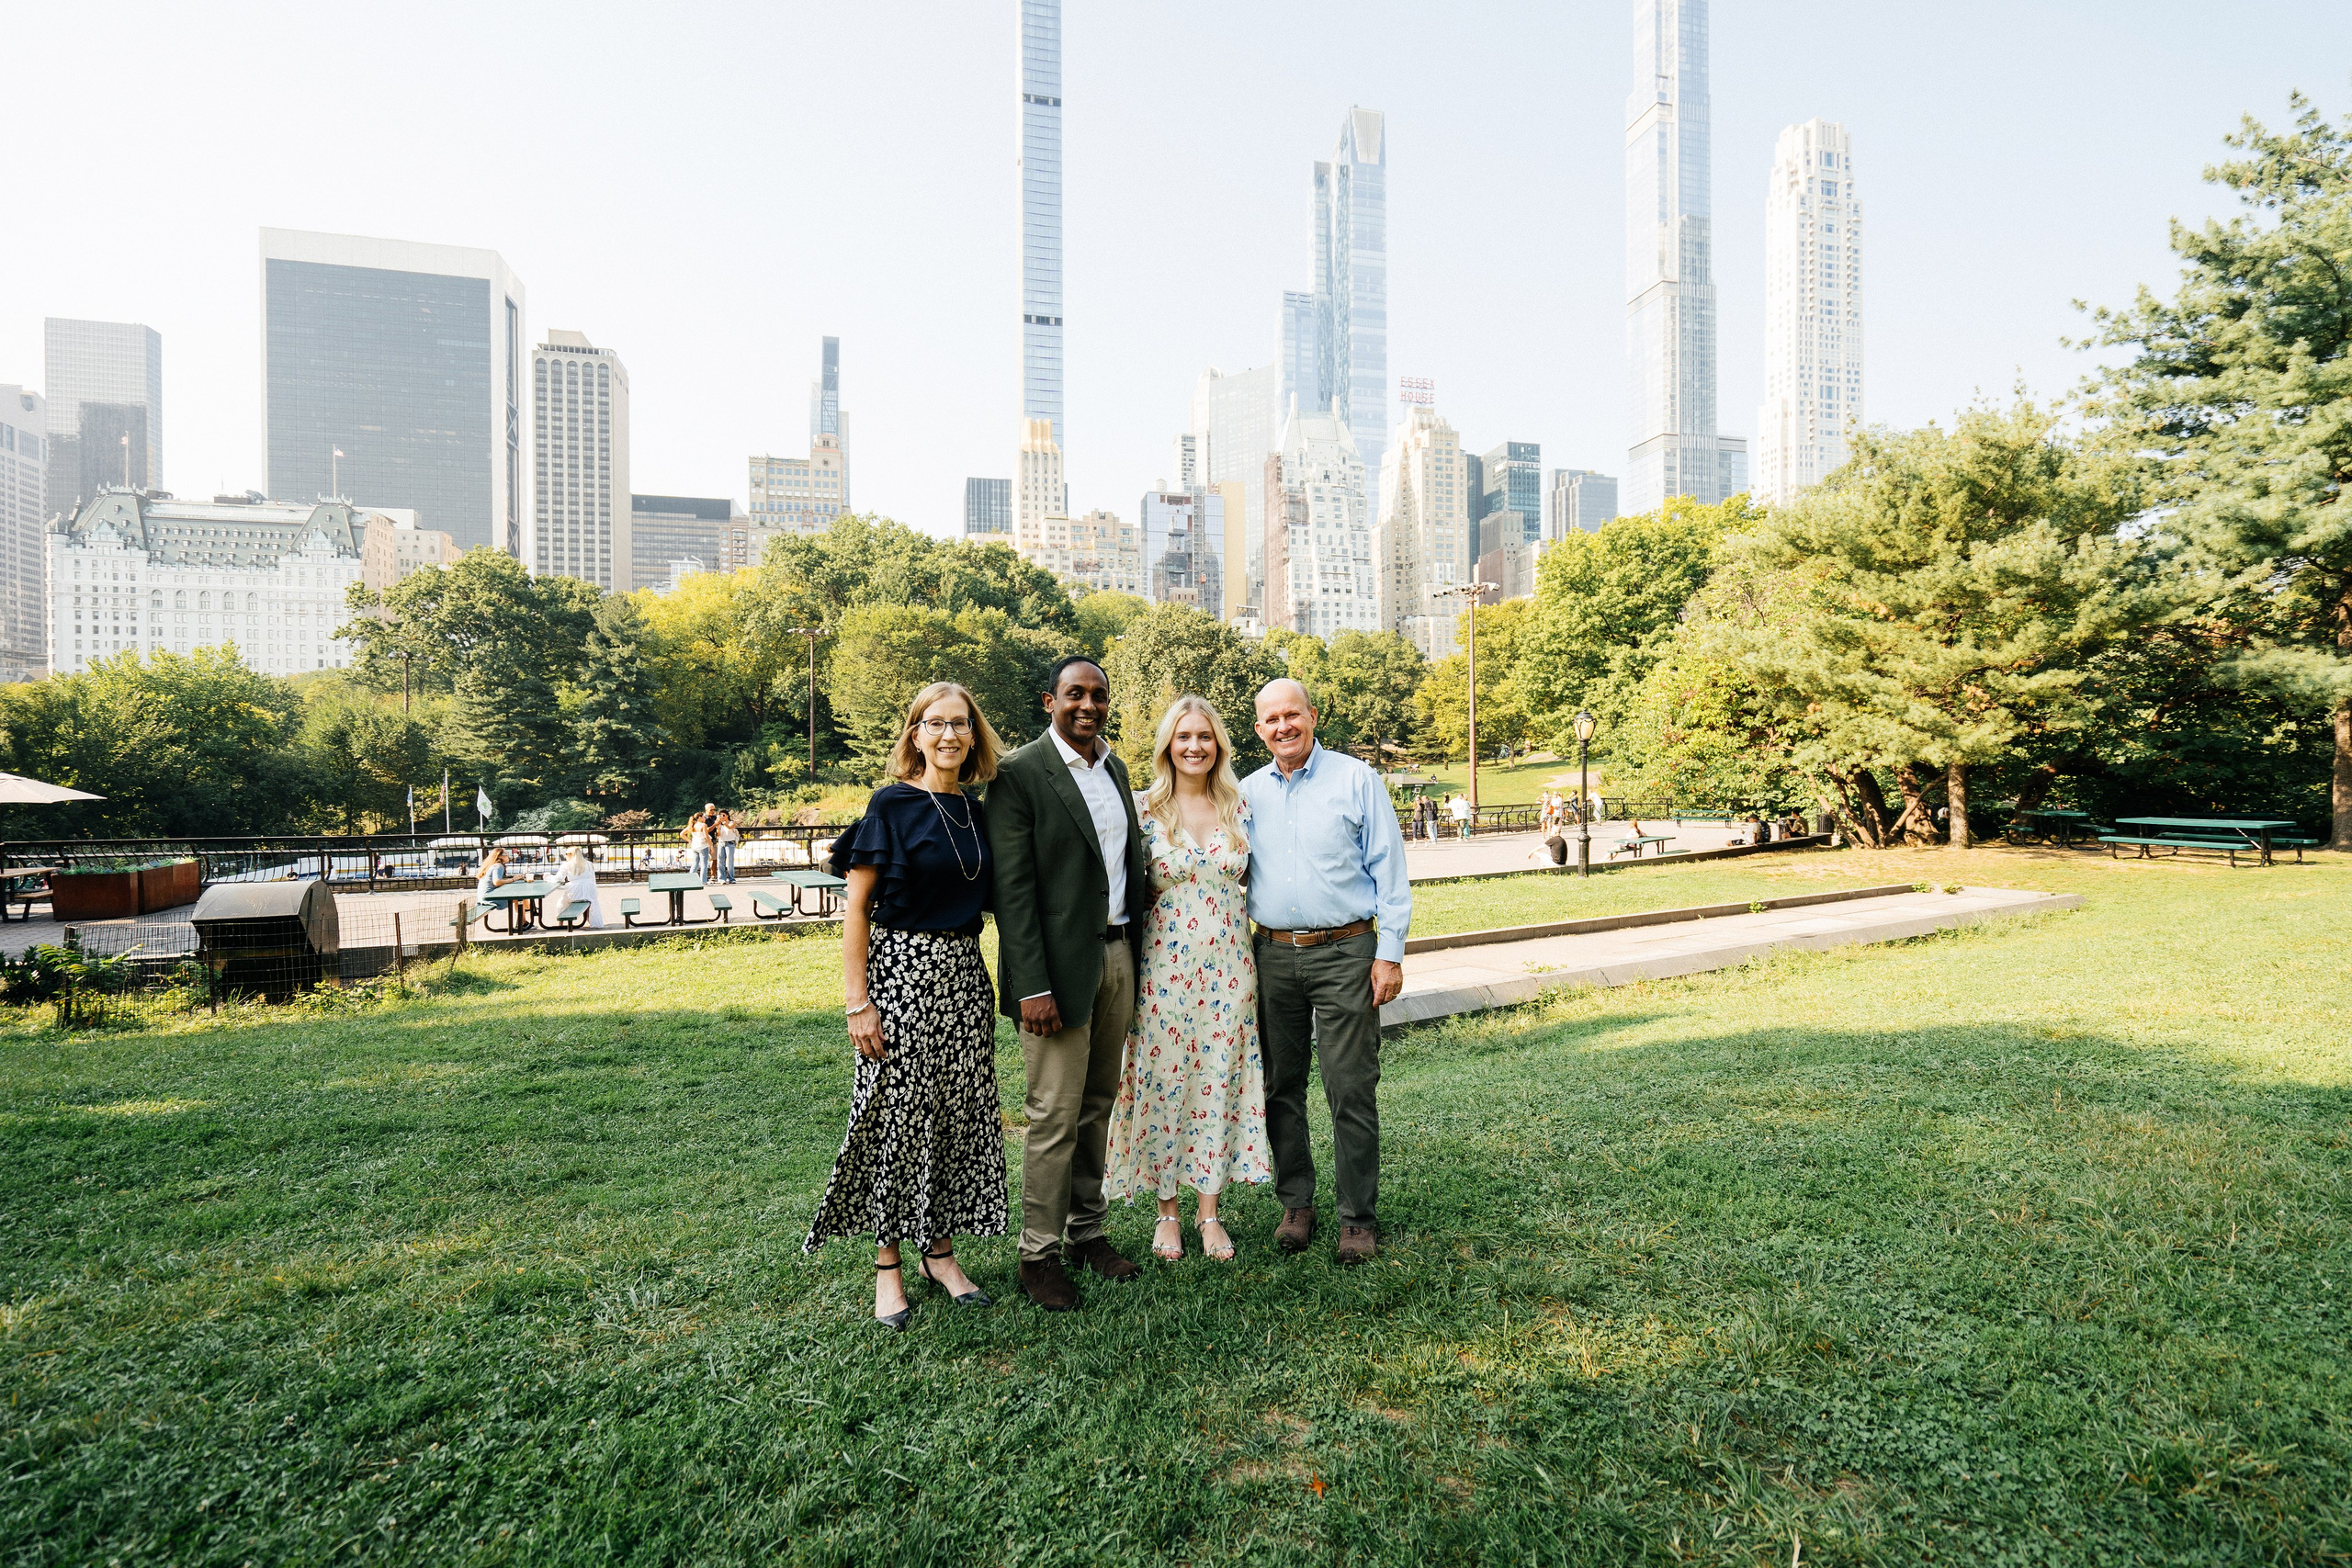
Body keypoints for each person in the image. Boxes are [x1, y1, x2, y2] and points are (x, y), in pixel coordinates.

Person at [805, 682, 1006, 1330]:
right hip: (900, 974)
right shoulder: (891, 804)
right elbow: (857, 910)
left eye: (961, 724)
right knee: (897, 1116)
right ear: (915, 734)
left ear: (974, 736)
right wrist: (856, 1002)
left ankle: (940, 1252)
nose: (949, 734)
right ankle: (888, 1264)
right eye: (935, 723)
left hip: (963, 979)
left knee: (955, 1115)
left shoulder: (977, 814)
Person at [985, 655, 1152, 1311]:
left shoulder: (1115, 767)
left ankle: (1087, 1231)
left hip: (1116, 959)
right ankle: (1038, 1253)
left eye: (1099, 695)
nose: (1088, 704)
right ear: (1048, 699)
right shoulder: (1021, 773)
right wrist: (1031, 985)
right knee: (1053, 1115)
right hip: (1053, 973)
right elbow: (1015, 891)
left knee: (1097, 1105)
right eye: (1074, 694)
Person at [1243, 678, 1410, 1267]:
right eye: (1272, 719)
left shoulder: (1355, 779)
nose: (1283, 726)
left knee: (1350, 1087)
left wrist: (1388, 954)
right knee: (1280, 1086)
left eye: (1293, 714)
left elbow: (1389, 871)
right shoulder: (1246, 793)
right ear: (1258, 728)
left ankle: (1356, 1218)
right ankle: (1297, 1204)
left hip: (1347, 952)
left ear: (1312, 717)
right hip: (1272, 957)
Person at [1103, 695, 1271, 1263]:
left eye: (1204, 736)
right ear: (1167, 746)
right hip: (1164, 972)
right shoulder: (1144, 809)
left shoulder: (1239, 805)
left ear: (1218, 744)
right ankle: (1167, 1213)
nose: (1194, 746)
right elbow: (1123, 888)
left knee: (1219, 1081)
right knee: (1166, 1082)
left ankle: (1209, 1212)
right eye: (1183, 737)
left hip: (1230, 969)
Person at [546, 848, 606, 928]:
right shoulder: (589, 864)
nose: (565, 856)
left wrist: (547, 877)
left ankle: (561, 923)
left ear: (571, 855)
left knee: (561, 903)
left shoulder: (566, 865)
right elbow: (593, 879)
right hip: (590, 890)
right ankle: (589, 921)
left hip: (575, 892)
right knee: (590, 902)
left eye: (566, 854)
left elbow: (559, 878)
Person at [684, 807, 716, 883]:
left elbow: (682, 834)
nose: (704, 818)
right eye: (702, 817)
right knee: (704, 864)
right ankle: (703, 881)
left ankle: (690, 879)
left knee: (695, 863)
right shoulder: (703, 825)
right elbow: (706, 836)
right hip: (703, 846)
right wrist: (711, 846)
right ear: (699, 818)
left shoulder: (692, 826)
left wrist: (689, 841)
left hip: (695, 846)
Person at [715, 810, 742, 884]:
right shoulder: (720, 824)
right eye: (720, 815)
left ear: (727, 815)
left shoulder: (731, 822)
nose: (722, 817)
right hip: (721, 842)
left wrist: (723, 822)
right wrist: (718, 826)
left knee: (730, 861)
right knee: (720, 861)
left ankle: (731, 878)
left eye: (723, 815)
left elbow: (730, 827)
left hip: (730, 843)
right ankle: (721, 878)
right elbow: (718, 835)